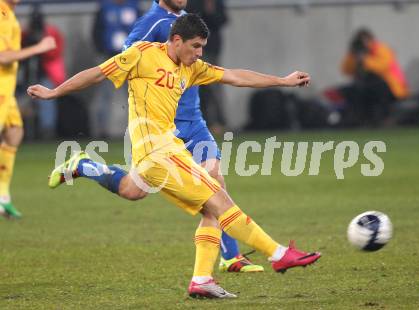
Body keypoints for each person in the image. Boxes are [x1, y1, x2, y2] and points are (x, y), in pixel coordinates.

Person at [28, 14, 321, 299]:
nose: (199, 52)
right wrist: (55, 93)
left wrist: (282, 81)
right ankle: (278, 254)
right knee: (219, 200)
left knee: (138, 192)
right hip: (157, 152)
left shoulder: (191, 68)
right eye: (195, 46)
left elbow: (234, 76)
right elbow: (97, 73)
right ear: (176, 40)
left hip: (166, 149)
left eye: (202, 47)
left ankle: (84, 166)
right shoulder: (142, 54)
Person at [124, 0, 263, 274]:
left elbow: (222, 73)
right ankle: (85, 166)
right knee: (134, 190)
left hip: (194, 120)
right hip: (163, 128)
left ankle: (231, 257)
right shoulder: (152, 21)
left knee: (215, 182)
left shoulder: (188, 20)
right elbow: (127, 60)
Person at [0, 0, 55, 218]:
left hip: (6, 88)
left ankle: (2, 196)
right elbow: (3, 57)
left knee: (14, 132)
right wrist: (40, 47)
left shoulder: (10, 13)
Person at [340, 28, 409, 126]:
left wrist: (365, 59)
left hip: (393, 87)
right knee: (354, 91)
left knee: (377, 88)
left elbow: (382, 66)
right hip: (370, 86)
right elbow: (346, 70)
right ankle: (358, 120)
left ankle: (384, 119)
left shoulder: (381, 49)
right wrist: (353, 55)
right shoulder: (357, 54)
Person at [92, 0, 140, 138]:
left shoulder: (134, 7)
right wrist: (101, 50)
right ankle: (102, 130)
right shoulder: (104, 7)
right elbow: (96, 31)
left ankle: (136, 130)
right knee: (104, 94)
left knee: (135, 94)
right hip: (109, 57)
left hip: (131, 59)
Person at [22, 4, 66, 139]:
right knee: (24, 102)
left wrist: (41, 46)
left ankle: (47, 131)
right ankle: (27, 133)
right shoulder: (25, 33)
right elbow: (21, 52)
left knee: (47, 102)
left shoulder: (51, 32)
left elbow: (56, 52)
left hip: (46, 73)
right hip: (27, 73)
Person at [186, 0, 228, 132]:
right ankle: (197, 122)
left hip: (211, 49)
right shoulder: (191, 3)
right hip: (192, 50)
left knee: (214, 85)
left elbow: (223, 19)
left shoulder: (216, 2)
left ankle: (218, 121)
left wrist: (210, 10)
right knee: (194, 88)